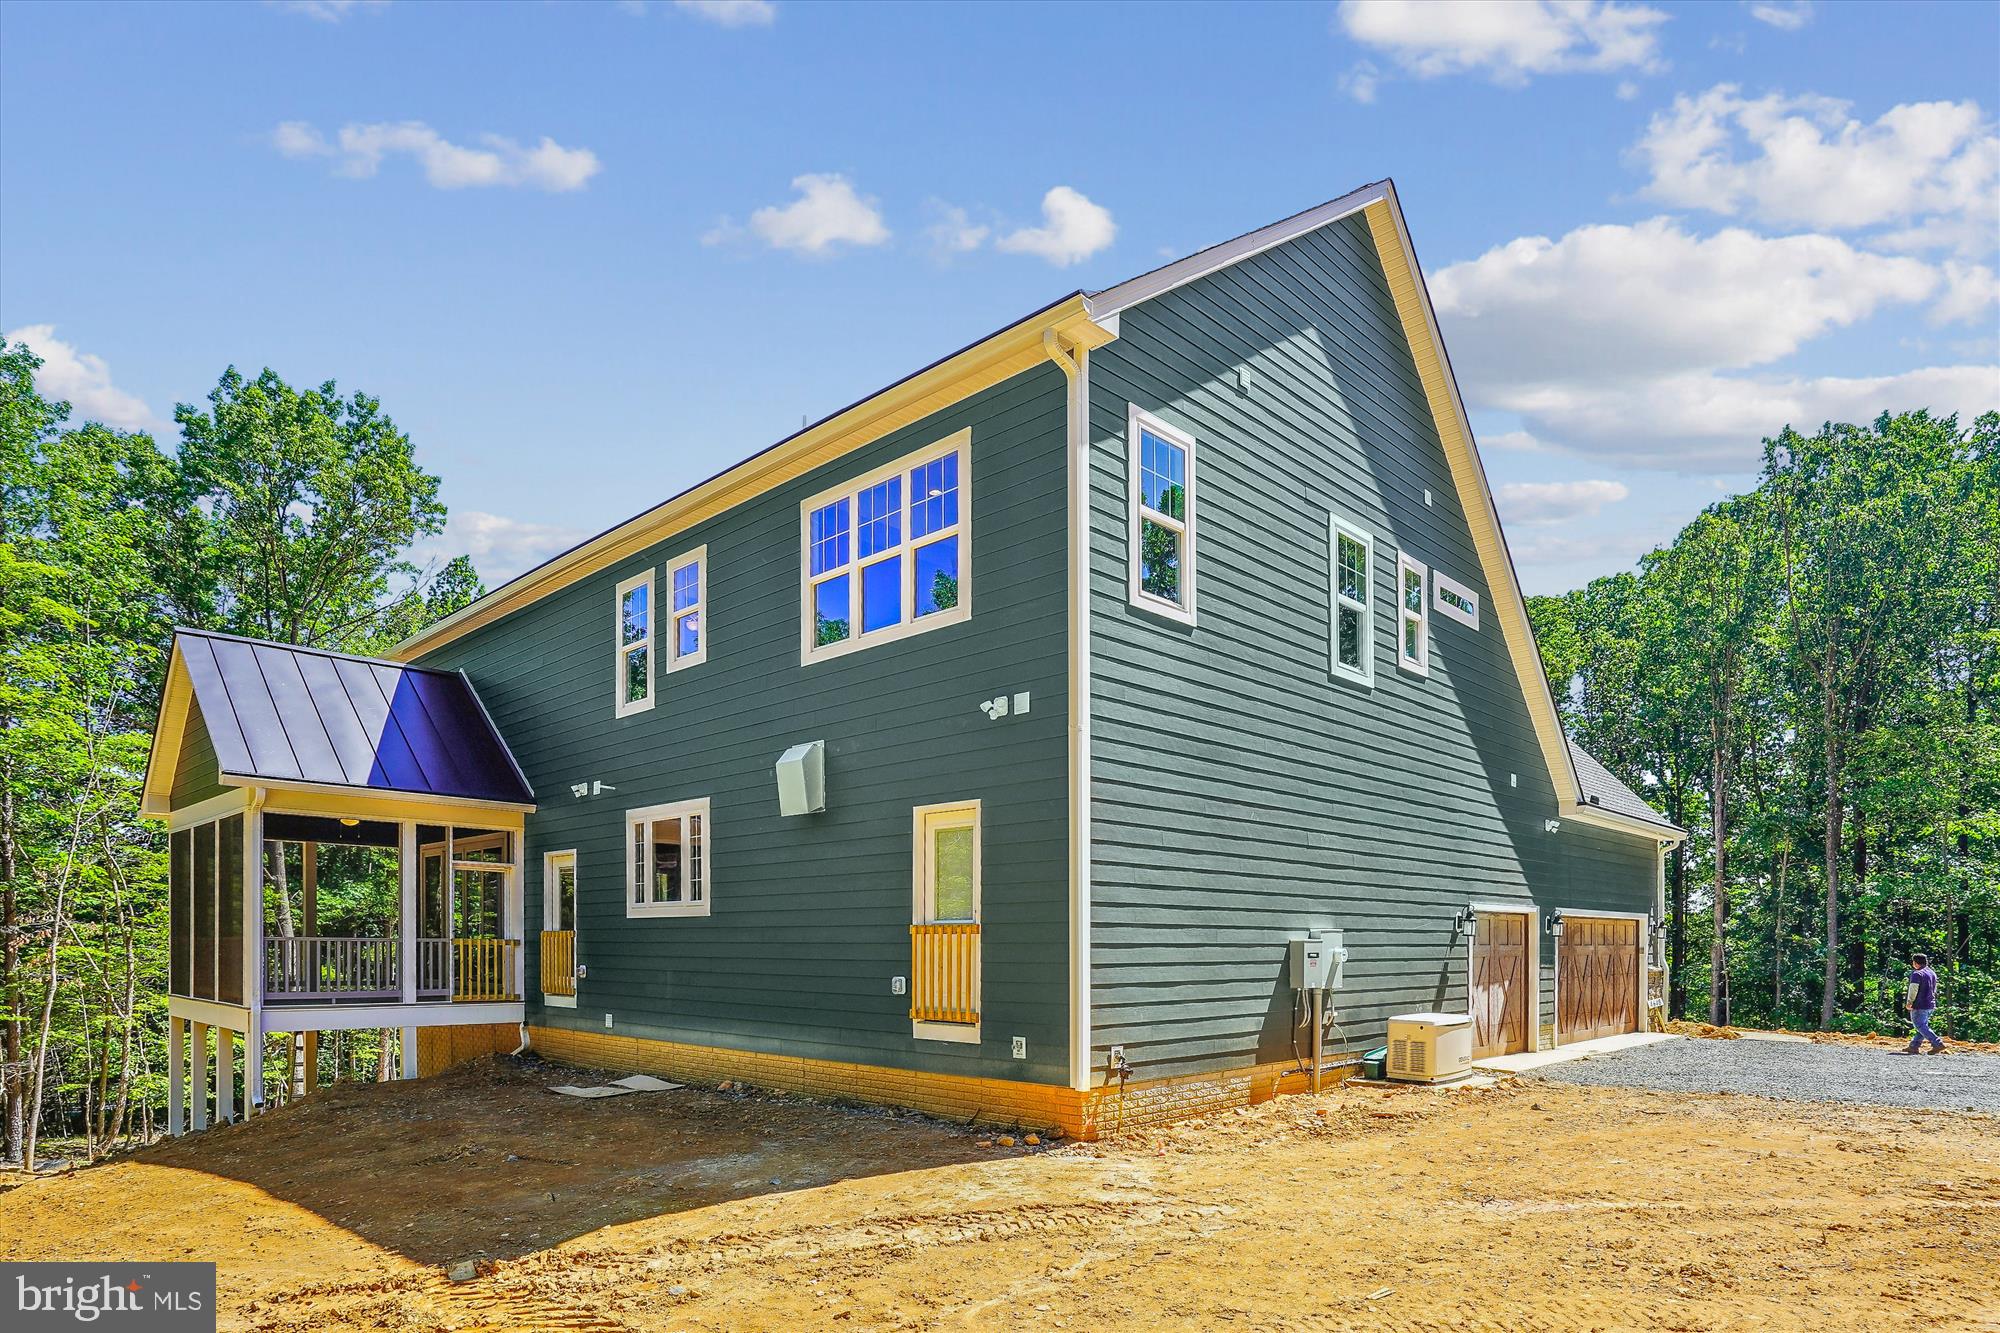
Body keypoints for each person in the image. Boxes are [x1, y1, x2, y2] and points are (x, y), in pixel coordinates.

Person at [1899, 954, 1946, 1055]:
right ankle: (1914, 1046)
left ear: (1915, 963)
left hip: (1919, 1004)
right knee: (1922, 1026)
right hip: (1930, 1004)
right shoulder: (1932, 973)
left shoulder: (1917, 974)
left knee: (1920, 1025)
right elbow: (1934, 989)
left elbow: (1913, 989)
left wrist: (1909, 1002)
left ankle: (1937, 1043)